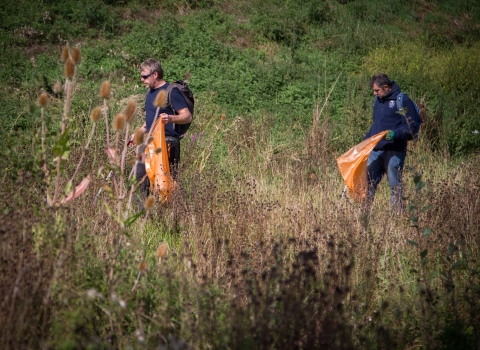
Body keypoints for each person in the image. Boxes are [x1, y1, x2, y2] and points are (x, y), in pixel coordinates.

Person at [131, 58, 192, 202]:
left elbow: (187, 116)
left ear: (155, 74)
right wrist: (138, 132)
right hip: (151, 142)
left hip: (168, 143)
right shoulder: (149, 93)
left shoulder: (172, 91)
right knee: (140, 176)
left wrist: (170, 118)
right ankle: (141, 215)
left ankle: (174, 215)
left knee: (165, 184)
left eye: (144, 76)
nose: (142, 79)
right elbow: (150, 121)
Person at [363, 74, 419, 211]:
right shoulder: (378, 101)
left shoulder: (402, 100)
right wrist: (364, 142)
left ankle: (396, 219)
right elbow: (376, 125)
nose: (374, 93)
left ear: (386, 87)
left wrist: (395, 134)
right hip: (376, 151)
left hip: (394, 152)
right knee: (367, 187)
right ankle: (363, 217)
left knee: (395, 187)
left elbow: (412, 126)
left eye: (377, 91)